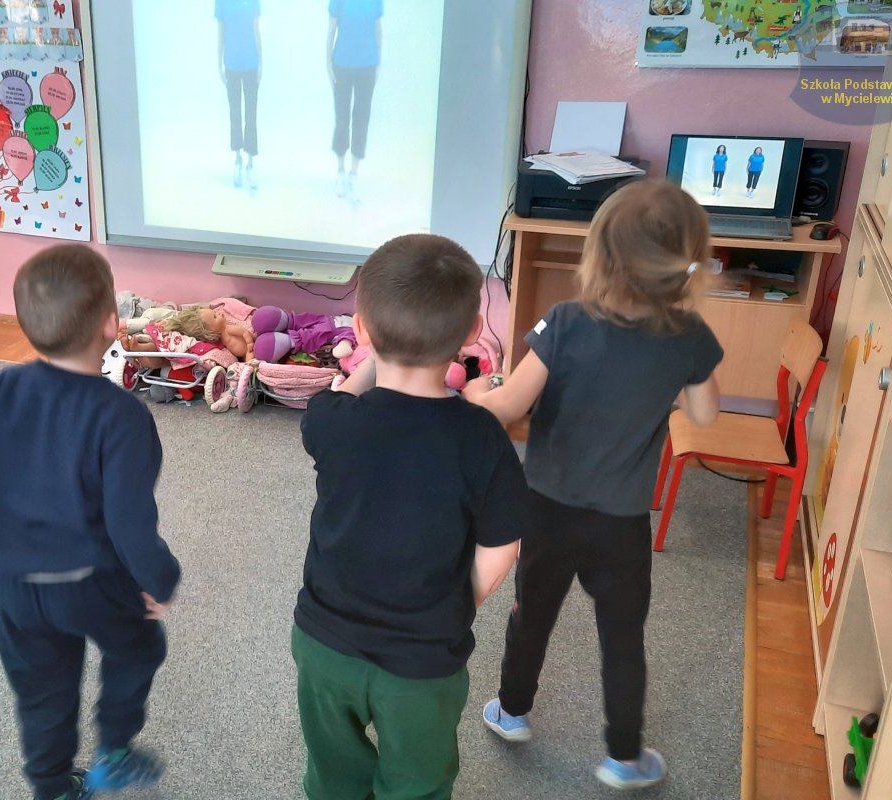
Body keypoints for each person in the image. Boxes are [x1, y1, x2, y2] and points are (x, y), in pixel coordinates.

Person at [465, 180, 723, 790]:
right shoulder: (689, 335)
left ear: (600, 256)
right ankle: (624, 757)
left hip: (546, 511)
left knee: (532, 613)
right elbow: (705, 415)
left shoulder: (564, 323)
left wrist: (476, 395)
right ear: (686, 265)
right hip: (622, 523)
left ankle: (511, 711)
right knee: (623, 636)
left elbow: (508, 408)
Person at [293, 233, 526, 800]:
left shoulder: (329, 419)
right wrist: (459, 603)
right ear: (473, 332)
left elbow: (345, 395)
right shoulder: (482, 438)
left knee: (333, 773)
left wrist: (371, 357)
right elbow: (502, 546)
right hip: (422, 662)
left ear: (360, 330)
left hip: (324, 643)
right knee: (417, 782)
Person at [0, 245, 181, 800]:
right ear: (111, 325)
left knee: (42, 692)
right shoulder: (123, 414)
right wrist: (160, 579)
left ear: (26, 325)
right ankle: (113, 750)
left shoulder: (0, 388)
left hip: (17, 588)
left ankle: (52, 787)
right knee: (139, 647)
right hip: (92, 583)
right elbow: (129, 521)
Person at [327, 0, 383, 198]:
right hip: (341, 65)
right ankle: (340, 171)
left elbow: (378, 29)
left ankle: (354, 173)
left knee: (361, 118)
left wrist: (378, 62)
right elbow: (332, 28)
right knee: (341, 119)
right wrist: (328, 63)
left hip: (367, 65)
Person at [216, 0, 262, 190]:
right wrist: (219, 63)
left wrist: (261, 62)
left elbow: (256, 29)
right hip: (231, 65)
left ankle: (250, 163)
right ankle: (238, 160)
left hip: (251, 64)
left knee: (251, 114)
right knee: (235, 114)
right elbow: (221, 32)